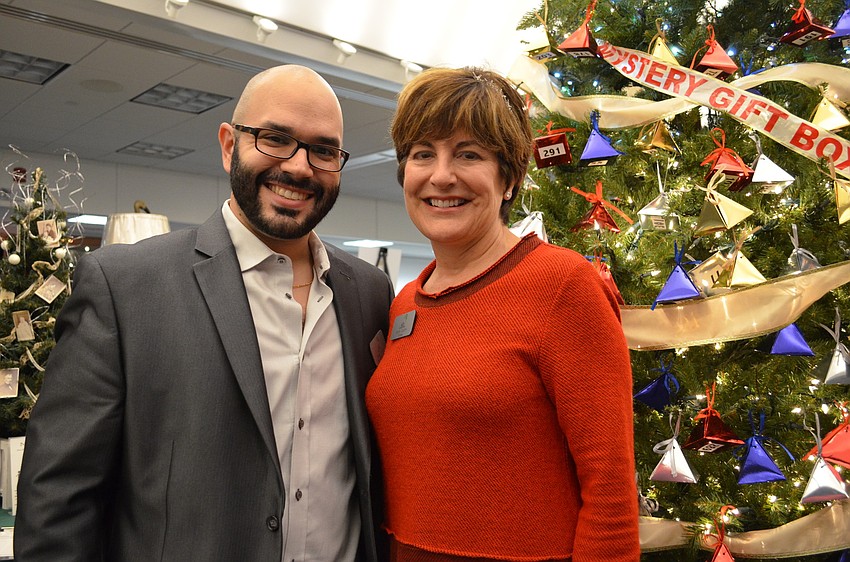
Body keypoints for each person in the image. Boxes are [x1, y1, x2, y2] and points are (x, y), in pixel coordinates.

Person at [15, 65, 393, 562]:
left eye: (323, 150)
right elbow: (58, 503)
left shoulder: (368, 293)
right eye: (275, 138)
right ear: (229, 144)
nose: (300, 168)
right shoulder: (125, 288)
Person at [365, 67, 640, 562]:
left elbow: (611, 490)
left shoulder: (562, 285)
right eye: (422, 153)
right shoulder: (406, 300)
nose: (440, 175)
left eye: (468, 154)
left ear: (509, 178)